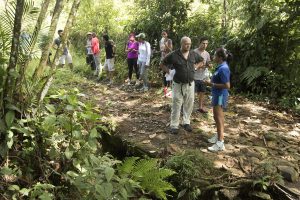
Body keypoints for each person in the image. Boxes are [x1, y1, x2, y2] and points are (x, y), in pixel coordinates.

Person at [161, 36, 204, 134]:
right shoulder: (174, 55)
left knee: (189, 104)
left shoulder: (193, 54)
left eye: (189, 44)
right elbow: (162, 63)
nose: (188, 45)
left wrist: (196, 66)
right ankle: (174, 125)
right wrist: (169, 72)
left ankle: (186, 122)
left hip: (190, 84)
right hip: (178, 84)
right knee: (177, 104)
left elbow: (202, 61)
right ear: (181, 44)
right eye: (186, 44)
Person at [204, 48, 232, 152]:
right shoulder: (220, 67)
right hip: (216, 94)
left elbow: (227, 85)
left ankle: (220, 143)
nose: (213, 57)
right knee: (216, 117)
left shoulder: (223, 68)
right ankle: (218, 135)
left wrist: (211, 84)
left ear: (220, 57)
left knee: (219, 118)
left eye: (215, 55)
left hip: (220, 95)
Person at [194, 37, 212, 113]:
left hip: (203, 76)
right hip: (194, 76)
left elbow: (209, 62)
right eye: (203, 43)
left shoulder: (207, 53)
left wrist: (210, 65)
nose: (205, 45)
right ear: (200, 43)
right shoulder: (194, 52)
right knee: (192, 93)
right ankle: (188, 107)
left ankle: (200, 107)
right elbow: (192, 64)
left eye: (206, 44)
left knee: (202, 92)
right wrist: (200, 66)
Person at [159, 30, 173, 95]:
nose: (163, 35)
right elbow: (161, 50)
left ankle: (169, 87)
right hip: (163, 58)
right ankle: (165, 87)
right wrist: (162, 50)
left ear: (167, 34)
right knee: (163, 73)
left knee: (168, 72)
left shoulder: (169, 40)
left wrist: (165, 44)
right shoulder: (160, 41)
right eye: (162, 34)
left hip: (169, 59)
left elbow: (170, 50)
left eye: (164, 34)